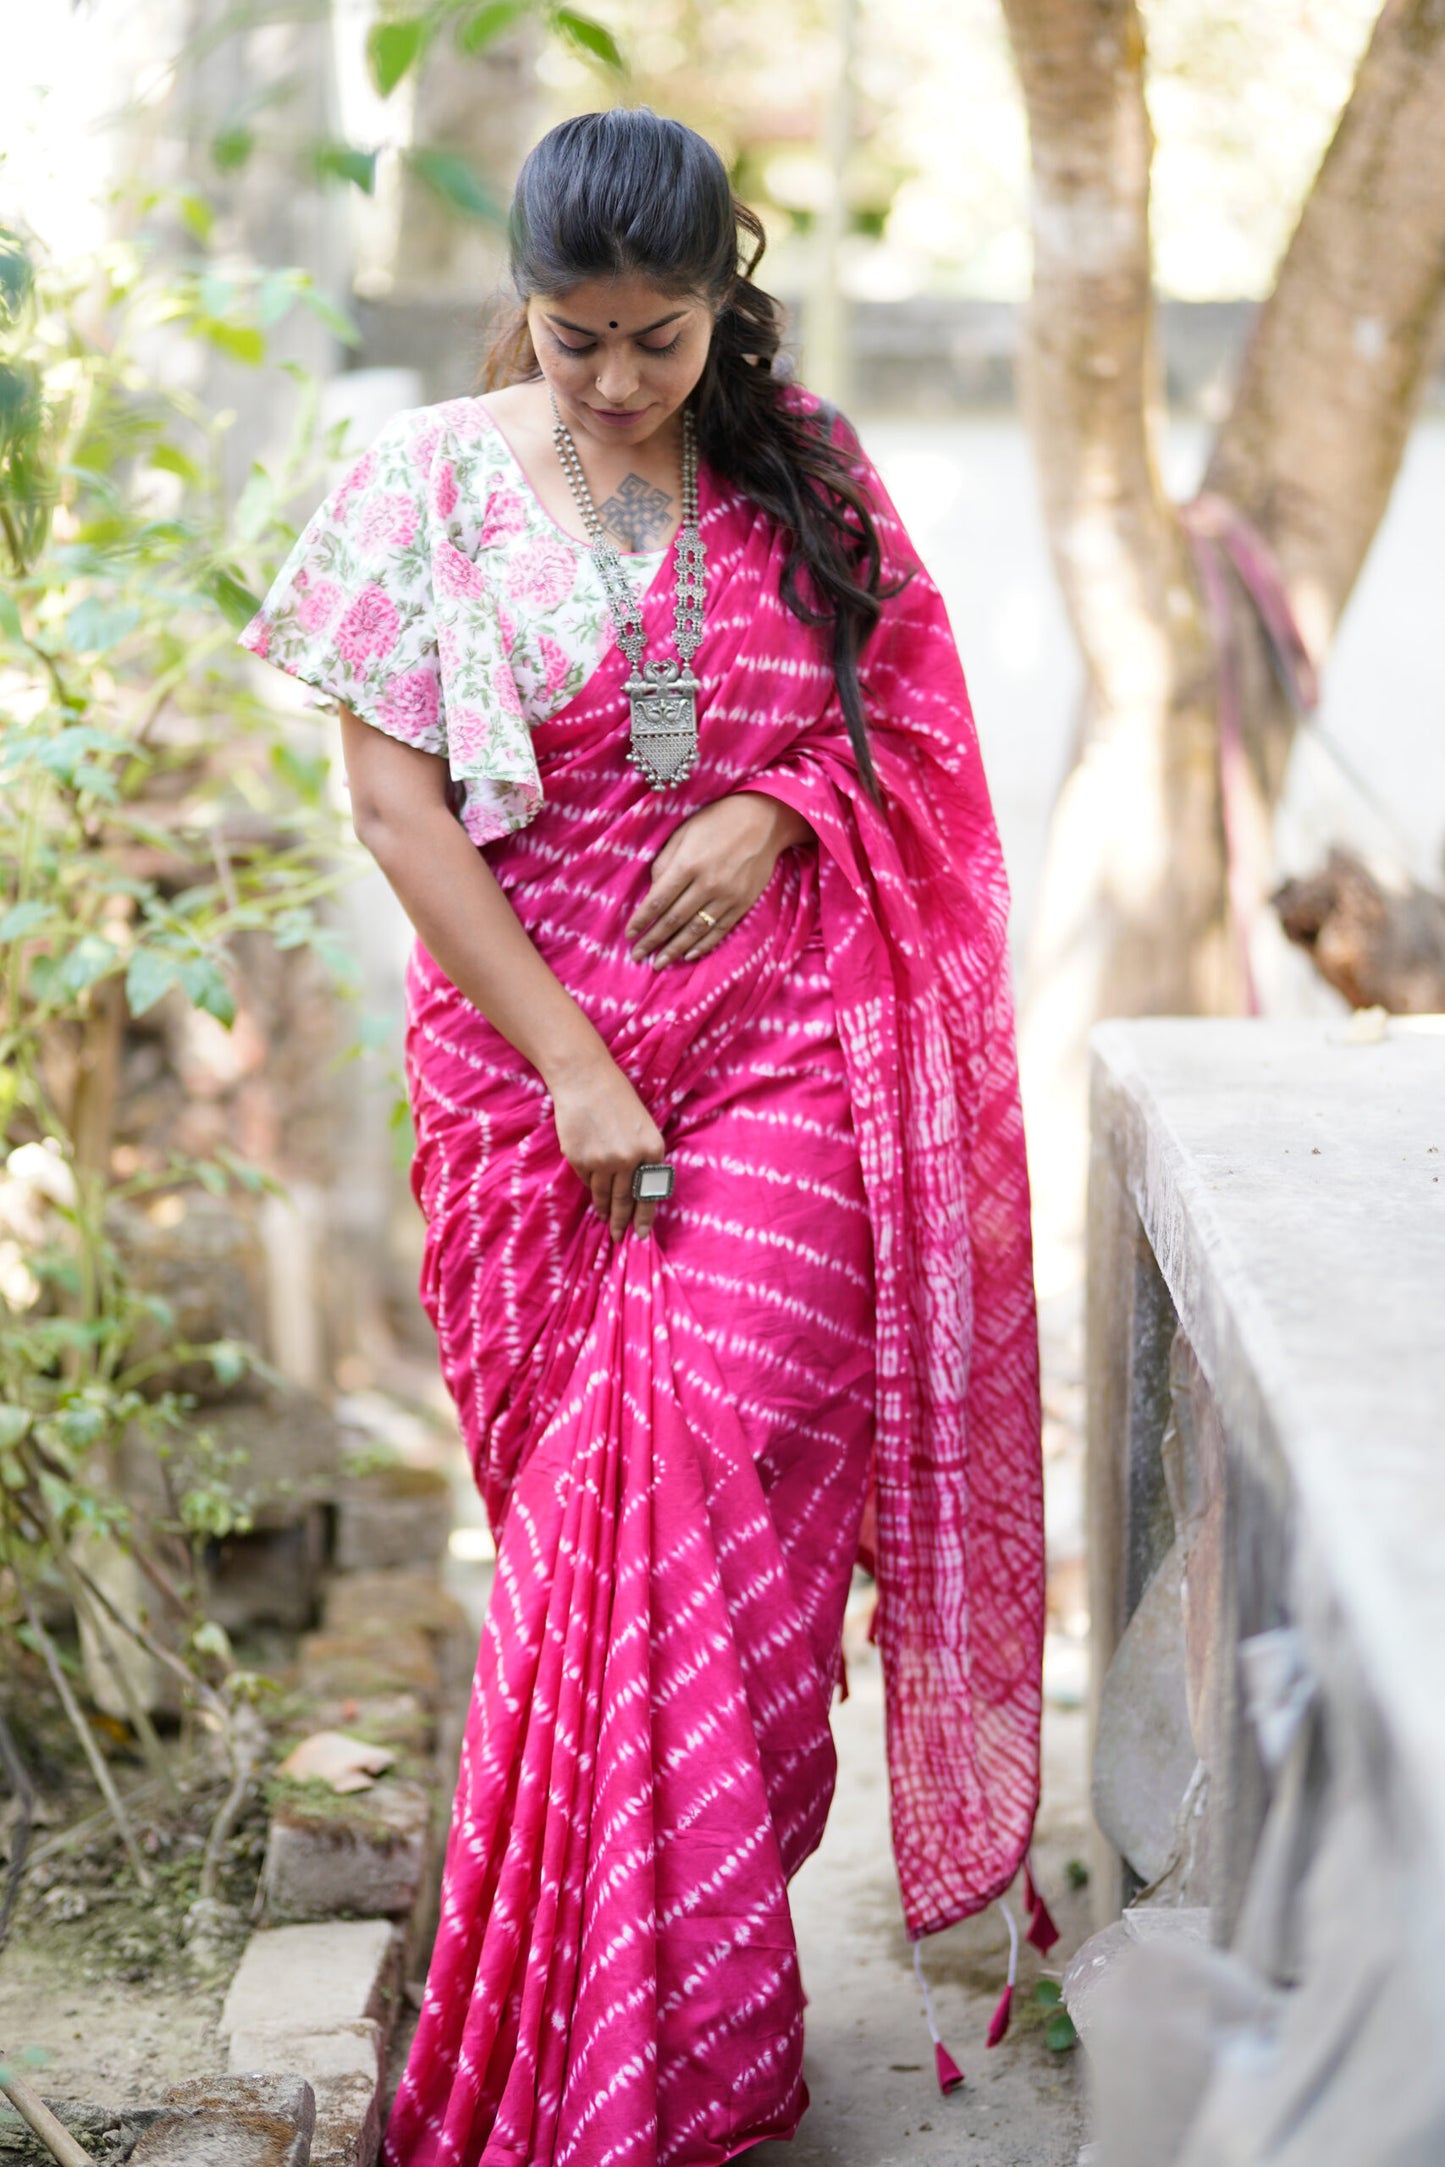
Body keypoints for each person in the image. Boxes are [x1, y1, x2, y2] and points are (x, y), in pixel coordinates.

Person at [240, 106, 1043, 2167]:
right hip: (532, 1082)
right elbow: (398, 811)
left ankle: (669, 2021)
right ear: (526, 296)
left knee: (710, 1462)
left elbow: (918, 739)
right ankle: (649, 2046)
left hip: (781, 1043)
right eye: (575, 337)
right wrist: (581, 1068)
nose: (612, 383)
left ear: (722, 302)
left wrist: (781, 804)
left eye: (657, 341)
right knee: (599, 1505)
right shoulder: (418, 485)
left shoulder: (809, 474)